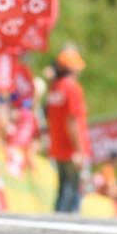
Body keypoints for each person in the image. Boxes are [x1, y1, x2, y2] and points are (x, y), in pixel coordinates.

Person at [46, 48, 90, 214]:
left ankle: (57, 221)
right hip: (71, 149)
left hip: (58, 146)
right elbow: (72, 121)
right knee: (72, 192)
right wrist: (79, 150)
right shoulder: (73, 88)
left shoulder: (55, 88)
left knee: (63, 189)